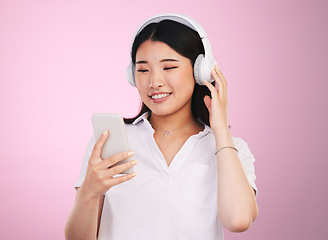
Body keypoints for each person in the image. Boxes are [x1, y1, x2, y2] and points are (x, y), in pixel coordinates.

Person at [65, 13, 258, 240]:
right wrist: (88, 192)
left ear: (200, 71)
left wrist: (221, 131)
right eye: (143, 69)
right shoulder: (109, 143)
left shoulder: (230, 149)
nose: (154, 82)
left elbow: (238, 220)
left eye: (168, 67)